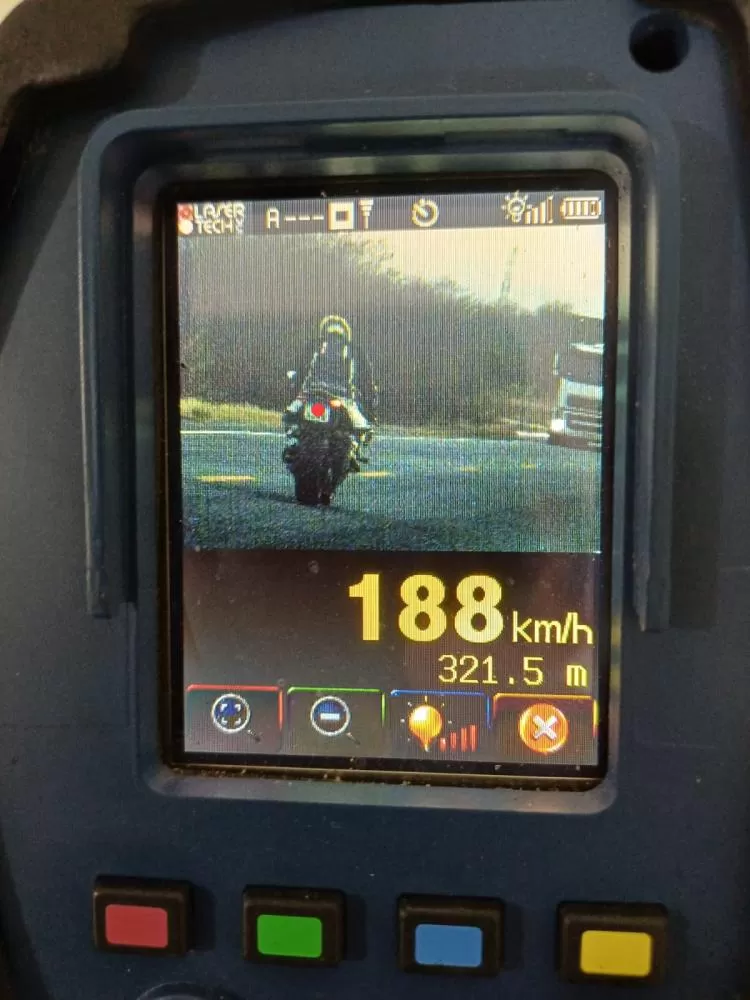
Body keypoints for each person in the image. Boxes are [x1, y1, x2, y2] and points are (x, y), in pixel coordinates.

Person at [283, 315, 377, 471]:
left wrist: (295, 390)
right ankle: (353, 452)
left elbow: (300, 370)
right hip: (342, 397)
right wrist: (371, 407)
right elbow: (366, 381)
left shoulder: (313, 345)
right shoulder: (355, 350)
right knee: (361, 427)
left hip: (312, 392)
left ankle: (294, 441)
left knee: (290, 414)